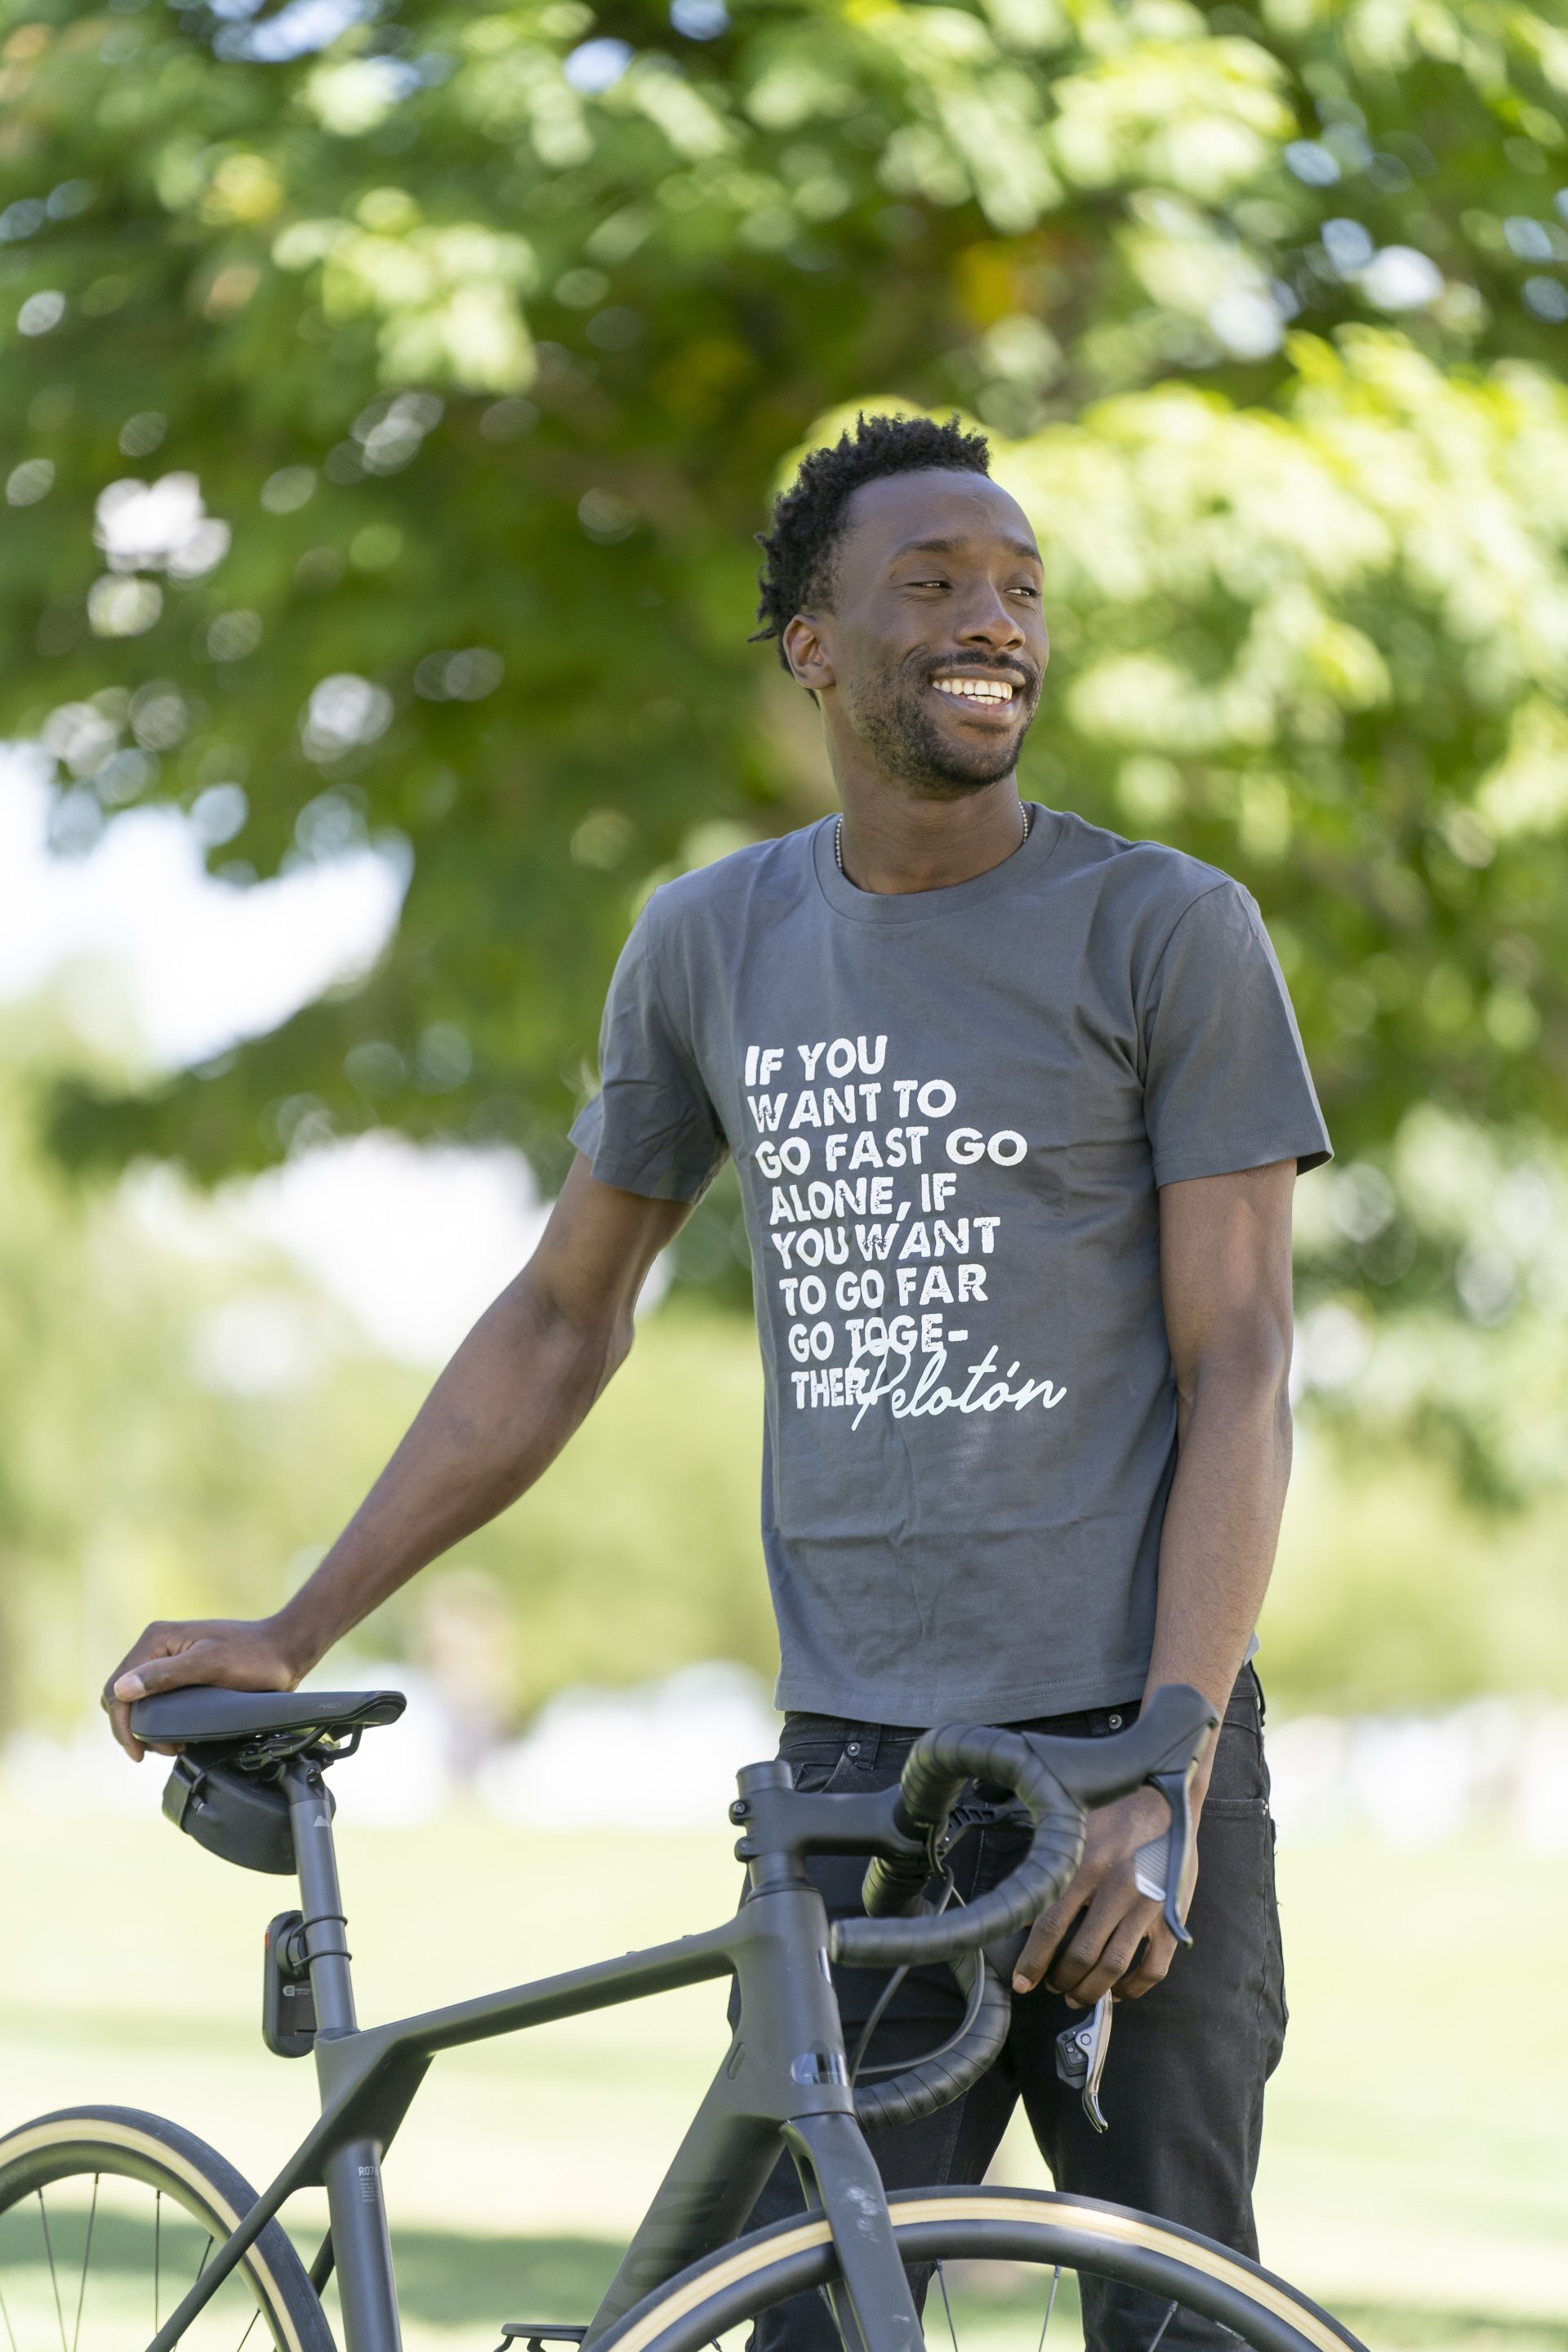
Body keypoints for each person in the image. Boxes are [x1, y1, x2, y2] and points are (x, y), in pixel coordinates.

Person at [104, 412, 1330, 2352]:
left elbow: (1242, 1355)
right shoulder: (713, 944)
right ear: (815, 647)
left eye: (1019, 588)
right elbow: (560, 1318)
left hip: (1127, 1754)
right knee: (798, 2316)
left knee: (1188, 2324)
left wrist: (1169, 1770)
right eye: (930, 584)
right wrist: (300, 1615)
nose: (990, 620)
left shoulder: (1163, 931)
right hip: (859, 1774)